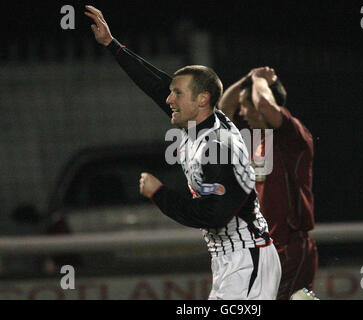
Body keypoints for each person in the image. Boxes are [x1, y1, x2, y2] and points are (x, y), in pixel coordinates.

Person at [85, 5, 281, 300]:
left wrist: (158, 193)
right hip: (230, 259)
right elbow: (155, 84)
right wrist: (112, 45)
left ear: (202, 100)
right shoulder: (198, 121)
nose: (168, 98)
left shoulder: (219, 146)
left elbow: (214, 214)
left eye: (177, 94)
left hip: (247, 258)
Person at [218, 67, 318, 300]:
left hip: (289, 247)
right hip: (265, 250)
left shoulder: (292, 136)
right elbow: (223, 108)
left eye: (247, 103)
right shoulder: (253, 137)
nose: (242, 111)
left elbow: (264, 104)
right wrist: (248, 78)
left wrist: (259, 80)